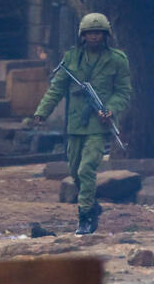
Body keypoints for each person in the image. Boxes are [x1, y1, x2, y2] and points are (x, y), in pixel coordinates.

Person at [33, 12, 131, 235]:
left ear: (105, 35)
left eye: (98, 32)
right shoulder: (71, 59)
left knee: (87, 169)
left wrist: (110, 109)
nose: (94, 37)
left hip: (99, 123)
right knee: (76, 172)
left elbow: (124, 92)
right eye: (89, 33)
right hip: (76, 123)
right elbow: (57, 88)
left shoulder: (117, 59)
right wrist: (42, 112)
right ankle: (93, 205)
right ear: (82, 35)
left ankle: (85, 216)